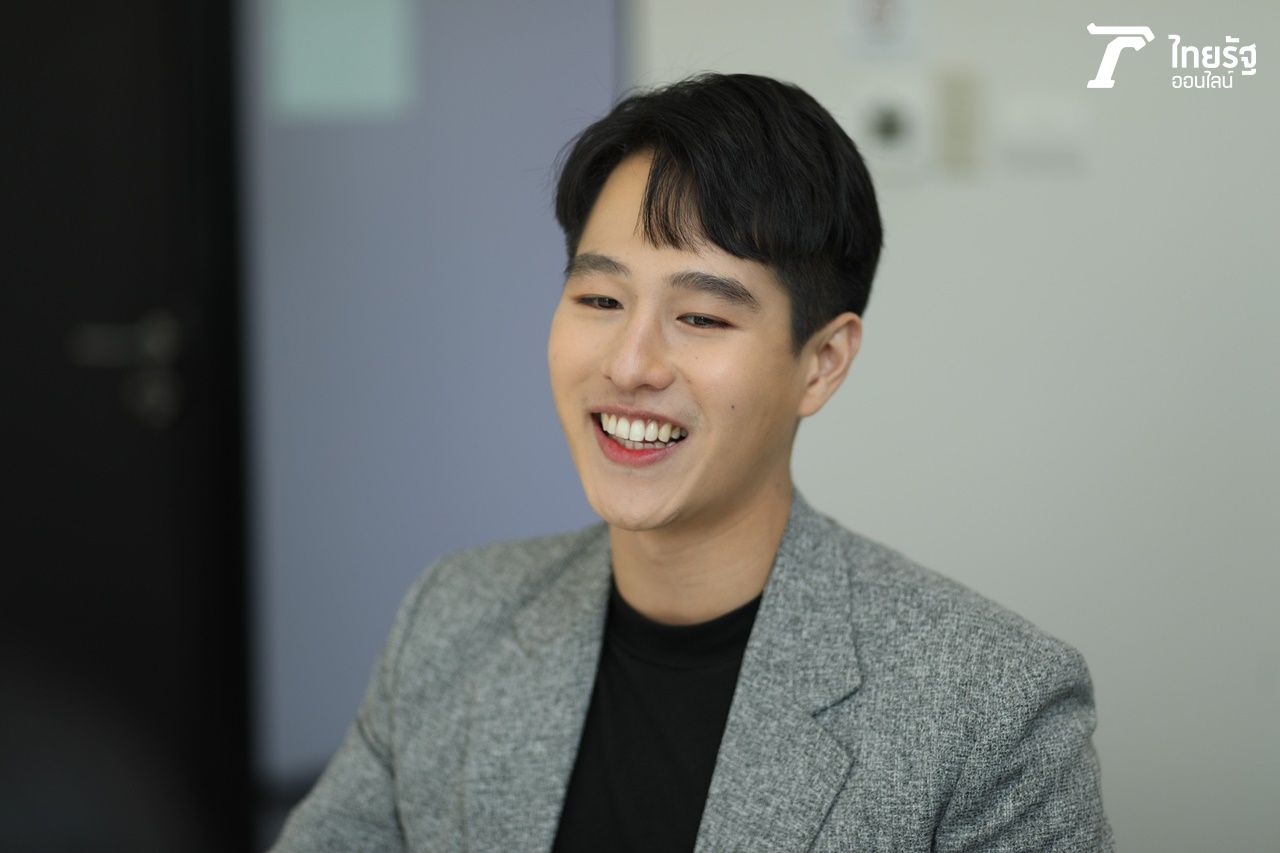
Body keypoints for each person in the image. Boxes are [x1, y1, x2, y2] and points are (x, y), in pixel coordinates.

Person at [269, 73, 1113, 852]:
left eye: (702, 317)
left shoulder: (989, 703)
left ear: (821, 363)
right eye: (600, 299)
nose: (630, 363)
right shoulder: (452, 618)